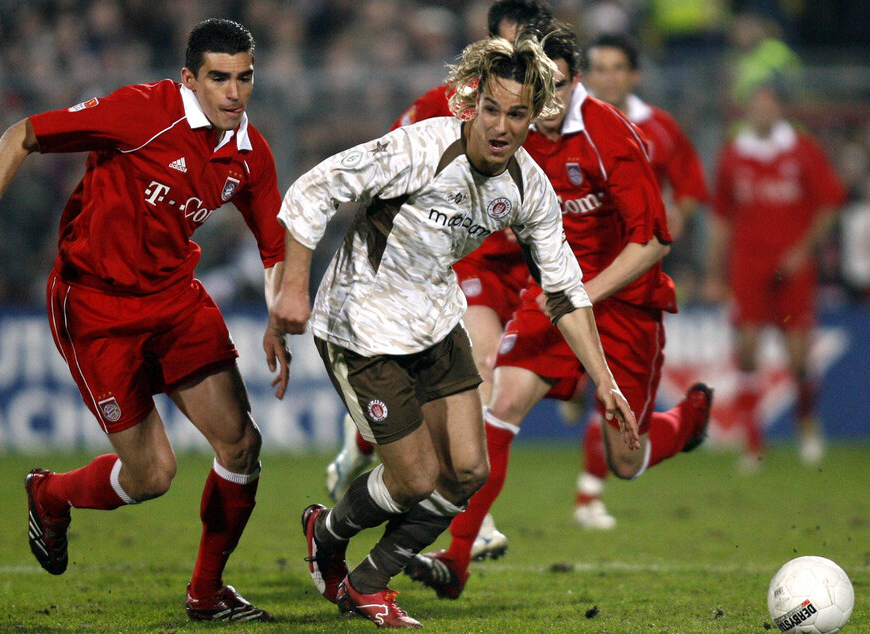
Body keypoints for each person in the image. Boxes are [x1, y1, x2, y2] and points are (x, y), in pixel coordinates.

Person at [268, 34, 637, 628]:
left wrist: (606, 382)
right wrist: (293, 288)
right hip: (361, 324)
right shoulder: (421, 147)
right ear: (473, 102)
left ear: (533, 116)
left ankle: (367, 582)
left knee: (468, 471)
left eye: (517, 114)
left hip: (435, 324)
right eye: (491, 108)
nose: (500, 126)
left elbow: (565, 290)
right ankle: (327, 532)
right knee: (414, 478)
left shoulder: (528, 187)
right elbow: (316, 188)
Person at [0, 19, 289, 623]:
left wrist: (279, 315)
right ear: (190, 79)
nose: (235, 92)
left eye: (244, 77)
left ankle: (206, 595)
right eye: (219, 78)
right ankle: (49, 493)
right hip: (96, 305)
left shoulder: (248, 155)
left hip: (176, 299)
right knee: (152, 474)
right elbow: (19, 134)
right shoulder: (140, 113)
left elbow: (275, 245)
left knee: (241, 444)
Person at [405, 23, 712, 601]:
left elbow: (653, 243)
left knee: (625, 458)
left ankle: (686, 421)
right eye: (542, 91)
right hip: (548, 299)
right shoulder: (516, 131)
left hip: (623, 306)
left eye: (562, 89)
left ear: (578, 84)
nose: (548, 106)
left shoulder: (611, 136)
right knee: (503, 402)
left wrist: (583, 294)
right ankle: (458, 557)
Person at [323, 0, 557, 563]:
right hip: (457, 262)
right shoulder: (440, 110)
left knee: (446, 428)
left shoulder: (555, 111)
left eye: (538, 44)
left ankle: (371, 454)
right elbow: (388, 180)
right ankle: (465, 512)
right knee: (477, 362)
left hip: (516, 260)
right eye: (514, 41)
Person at [566, 31, 711, 529]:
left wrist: (659, 234)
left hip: (629, 284)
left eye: (616, 68)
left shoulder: (660, 129)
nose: (607, 77)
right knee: (563, 389)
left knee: (611, 412)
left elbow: (689, 192)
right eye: (598, 68)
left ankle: (591, 492)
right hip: (573, 278)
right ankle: (584, 498)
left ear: (634, 75)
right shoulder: (564, 128)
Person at [705, 81, 846, 471]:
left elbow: (830, 203)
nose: (762, 112)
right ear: (748, 110)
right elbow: (721, 217)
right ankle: (754, 445)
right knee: (747, 351)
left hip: (793, 267)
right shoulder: (733, 155)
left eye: (769, 105)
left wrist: (803, 250)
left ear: (781, 110)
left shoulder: (802, 151)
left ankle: (807, 424)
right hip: (748, 266)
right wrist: (715, 272)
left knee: (799, 356)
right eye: (756, 105)